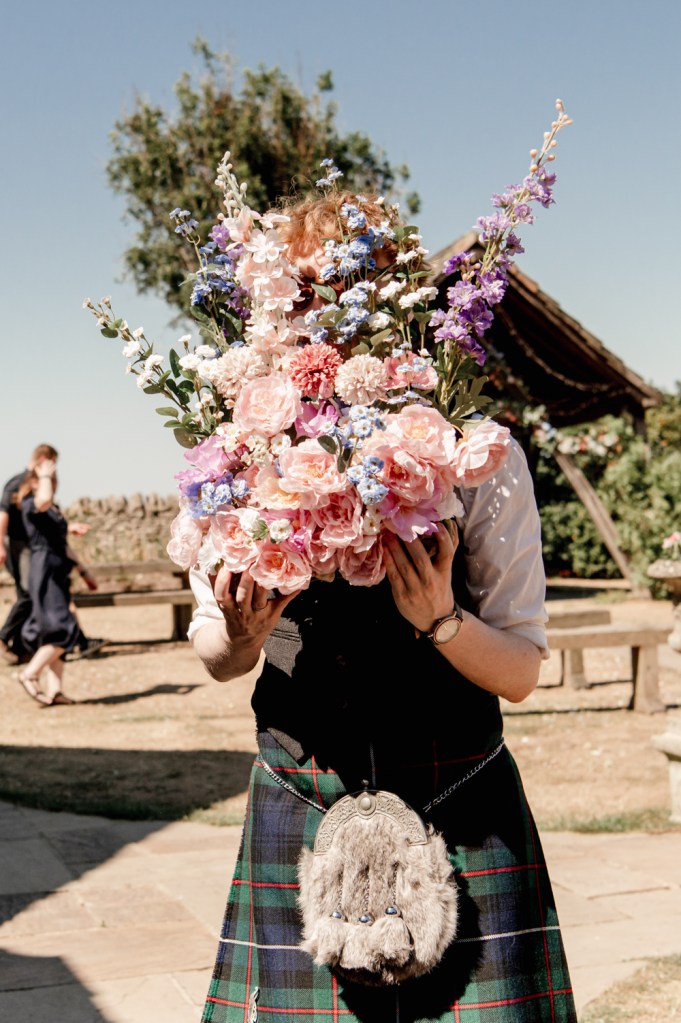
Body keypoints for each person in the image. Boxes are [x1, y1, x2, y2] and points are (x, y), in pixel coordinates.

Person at [188, 195, 577, 1021]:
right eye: (298, 295)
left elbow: (521, 673)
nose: (318, 315)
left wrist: (441, 618)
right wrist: (240, 633)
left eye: (342, 286)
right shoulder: (233, 461)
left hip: (460, 809)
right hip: (300, 803)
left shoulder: (475, 453)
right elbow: (216, 654)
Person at [13, 457, 100, 706]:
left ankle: (55, 691)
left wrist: (83, 571)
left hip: (57, 572)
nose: (54, 480)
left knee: (57, 631)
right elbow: (43, 499)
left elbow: (62, 545)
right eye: (50, 477)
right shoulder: (32, 503)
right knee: (63, 630)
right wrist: (43, 476)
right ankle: (29, 674)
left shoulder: (51, 510)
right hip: (45, 572)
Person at [0, 444, 58, 664]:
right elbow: (2, 514)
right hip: (17, 544)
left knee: (29, 593)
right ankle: (3, 637)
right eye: (53, 462)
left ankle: (19, 647)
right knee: (27, 593)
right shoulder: (17, 483)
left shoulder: (33, 482)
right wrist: (0, 545)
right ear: (44, 458)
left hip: (29, 546)